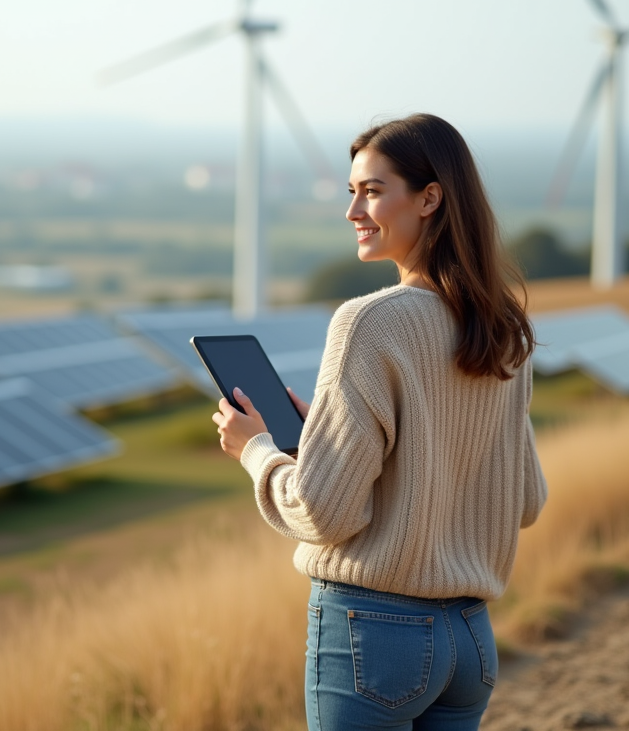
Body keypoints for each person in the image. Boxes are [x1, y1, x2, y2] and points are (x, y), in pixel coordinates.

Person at [212, 113, 547, 731]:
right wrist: (330, 435)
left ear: (429, 199)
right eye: (351, 192)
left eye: (371, 190)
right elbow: (524, 498)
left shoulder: (371, 322)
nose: (353, 211)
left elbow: (324, 513)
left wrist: (258, 449)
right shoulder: (503, 328)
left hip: (374, 640)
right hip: (469, 640)